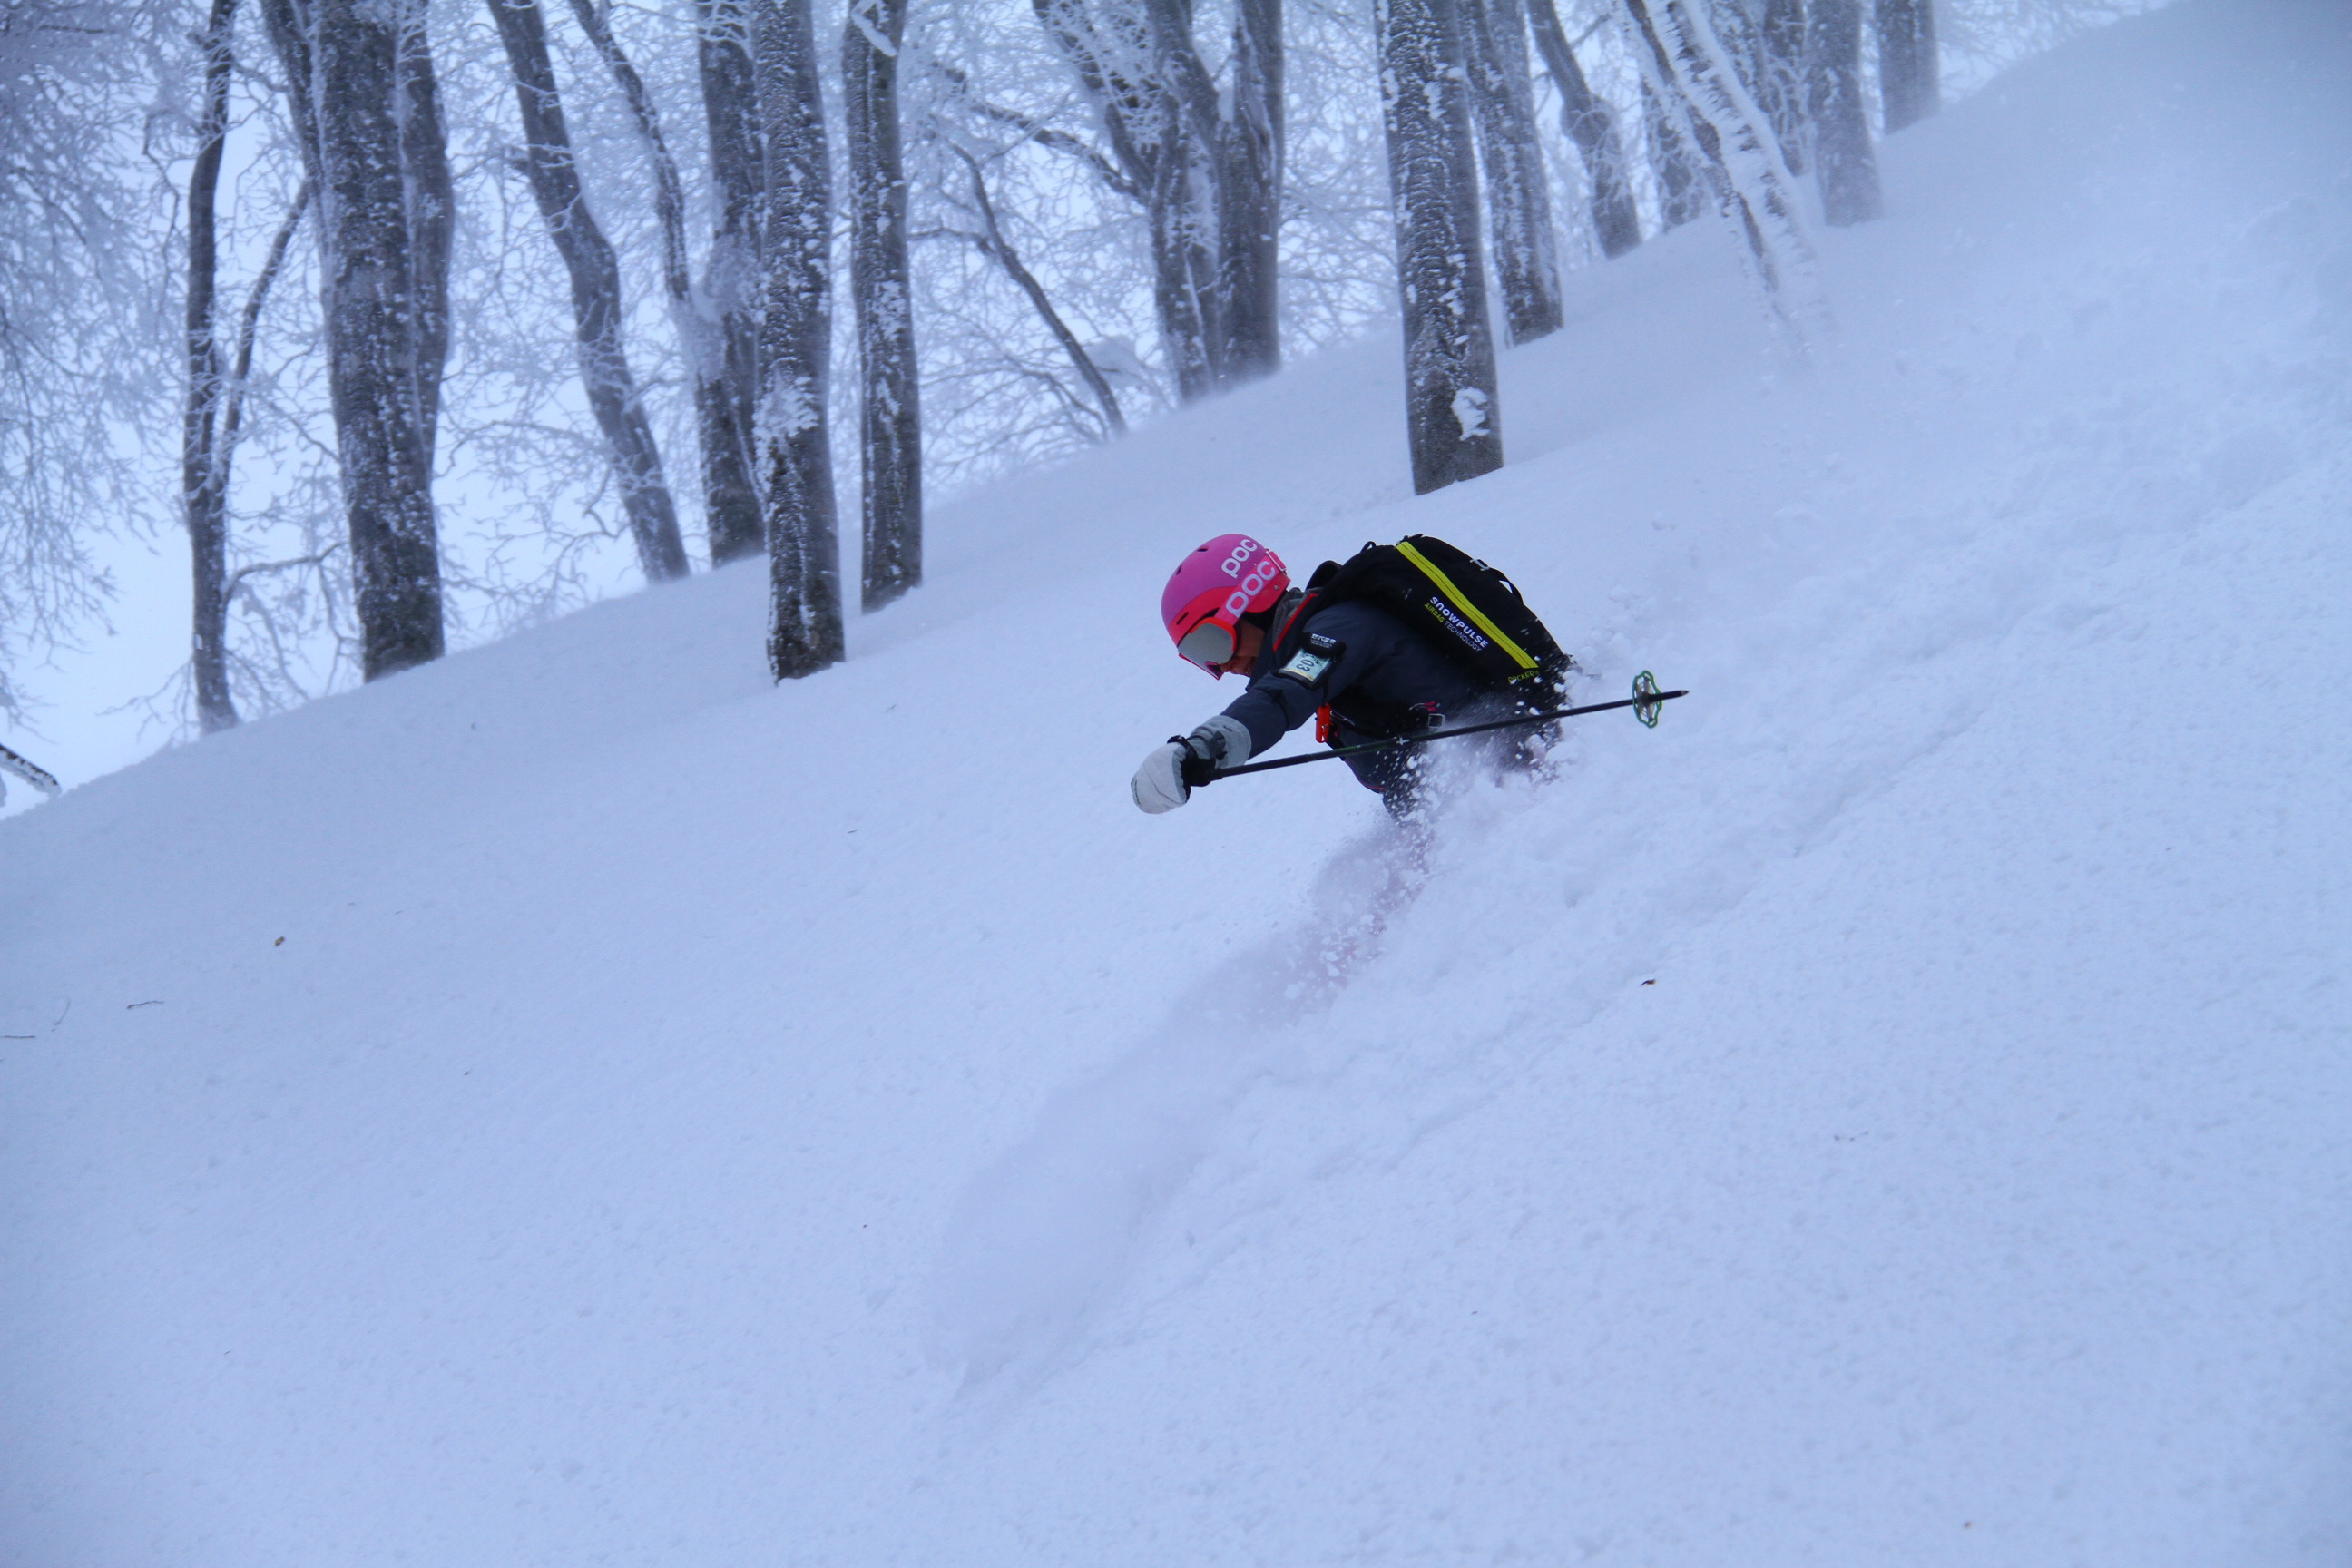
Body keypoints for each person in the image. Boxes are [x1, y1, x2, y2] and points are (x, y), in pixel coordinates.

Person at [1132, 534, 1552, 817]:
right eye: (1197, 656)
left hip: (1531, 764)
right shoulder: (1319, 643)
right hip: (1481, 798)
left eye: (1210, 643)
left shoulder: (1333, 636)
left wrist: (1203, 749)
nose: (1220, 667)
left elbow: (1285, 693)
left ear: (1247, 603)